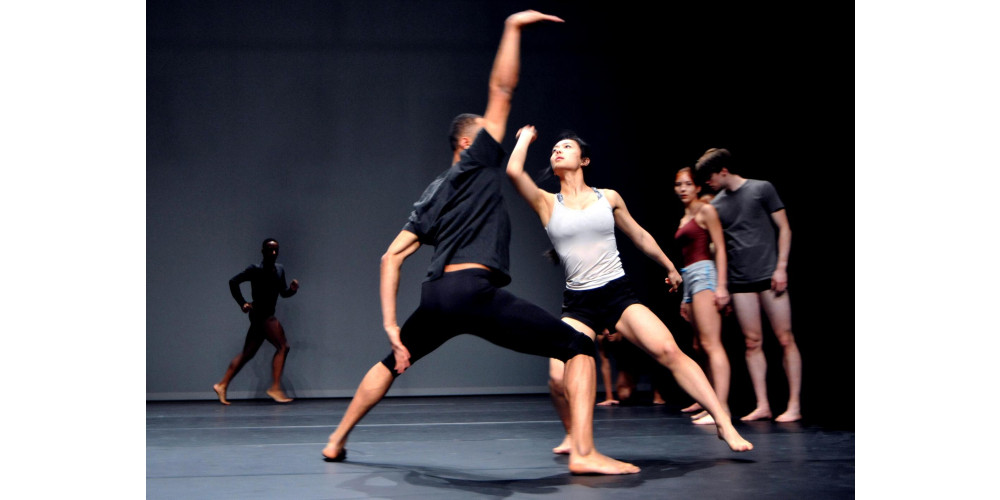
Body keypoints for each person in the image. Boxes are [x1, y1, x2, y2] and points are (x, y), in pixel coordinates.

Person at [320, 11, 639, 475]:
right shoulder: (478, 160)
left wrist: (392, 325)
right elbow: (503, 90)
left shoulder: (433, 192)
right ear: (471, 142)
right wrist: (512, 28)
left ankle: (336, 439)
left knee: (393, 361)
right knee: (579, 349)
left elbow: (391, 257)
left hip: (437, 299)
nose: (496, 136)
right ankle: (585, 453)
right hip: (473, 292)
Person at [505, 125, 753, 454]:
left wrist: (669, 266)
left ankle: (723, 420)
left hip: (617, 295)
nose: (558, 151)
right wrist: (524, 138)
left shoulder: (607, 197)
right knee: (556, 376)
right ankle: (571, 434)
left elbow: (639, 235)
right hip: (579, 303)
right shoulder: (547, 202)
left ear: (584, 160)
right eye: (554, 150)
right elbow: (512, 170)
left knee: (669, 351)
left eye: (566, 147)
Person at [695, 148, 802, 422]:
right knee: (752, 342)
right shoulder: (717, 205)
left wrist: (781, 267)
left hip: (769, 275)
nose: (708, 182)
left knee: (785, 338)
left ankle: (794, 405)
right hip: (741, 281)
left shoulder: (761, 189)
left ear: (723, 171)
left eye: (710, 176)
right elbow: (717, 244)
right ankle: (763, 404)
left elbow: (785, 228)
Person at [673, 167, 732, 426]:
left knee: (711, 344)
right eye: (678, 184)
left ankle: (722, 408)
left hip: (706, 274)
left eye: (687, 184)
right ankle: (708, 401)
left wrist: (721, 287)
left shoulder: (706, 211)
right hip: (690, 277)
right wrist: (684, 295)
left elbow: (719, 248)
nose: (682, 188)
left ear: (698, 187)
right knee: (698, 346)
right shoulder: (685, 216)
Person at [213, 238, 299, 405]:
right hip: (262, 314)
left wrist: (292, 290)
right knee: (283, 346)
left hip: (264, 315)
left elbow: (283, 293)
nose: (273, 253)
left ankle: (222, 384)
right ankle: (275, 388)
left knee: (248, 353)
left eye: (276, 250)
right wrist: (242, 303)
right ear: (263, 251)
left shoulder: (280, 270)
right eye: (269, 250)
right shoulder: (255, 270)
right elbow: (233, 282)